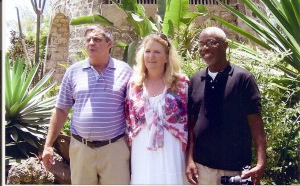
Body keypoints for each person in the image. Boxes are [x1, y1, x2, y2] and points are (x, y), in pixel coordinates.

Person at [41, 25, 132, 184]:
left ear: (109, 43)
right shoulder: (73, 72)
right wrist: (48, 145)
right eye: (88, 40)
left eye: (97, 39)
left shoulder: (124, 71)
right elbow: (61, 109)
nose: (91, 43)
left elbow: (134, 109)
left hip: (114, 150)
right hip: (81, 149)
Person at [186, 27, 267, 185]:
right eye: (201, 44)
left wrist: (261, 162)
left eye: (211, 42)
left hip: (234, 169)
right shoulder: (195, 80)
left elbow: (256, 123)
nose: (205, 48)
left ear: (226, 45)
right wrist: (189, 160)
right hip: (201, 169)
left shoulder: (243, 79)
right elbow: (191, 125)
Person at [125, 33, 189, 184]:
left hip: (173, 148)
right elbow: (128, 119)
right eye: (147, 51)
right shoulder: (134, 85)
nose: (151, 56)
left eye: (157, 52)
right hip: (142, 150)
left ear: (167, 57)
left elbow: (190, 120)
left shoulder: (181, 84)